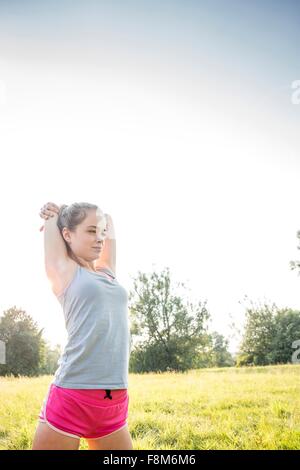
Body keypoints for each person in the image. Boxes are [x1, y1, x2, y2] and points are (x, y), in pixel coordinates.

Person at [32, 201, 133, 450]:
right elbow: (55, 222)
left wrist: (71, 210)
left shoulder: (108, 272)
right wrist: (55, 214)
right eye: (90, 231)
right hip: (73, 396)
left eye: (99, 233)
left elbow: (108, 219)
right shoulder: (65, 272)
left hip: (114, 400)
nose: (99, 238)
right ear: (67, 234)